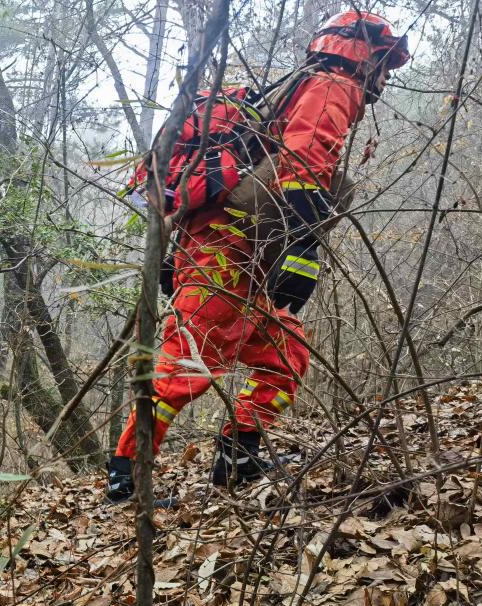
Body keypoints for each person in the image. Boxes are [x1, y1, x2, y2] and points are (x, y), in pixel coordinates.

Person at [106, 10, 410, 501]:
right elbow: (305, 159)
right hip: (224, 251)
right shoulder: (335, 85)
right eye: (385, 64)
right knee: (186, 368)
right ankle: (126, 475)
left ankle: (238, 458)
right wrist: (304, 251)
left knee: (284, 357)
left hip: (244, 255)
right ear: (366, 52)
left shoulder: (308, 85)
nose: (385, 77)